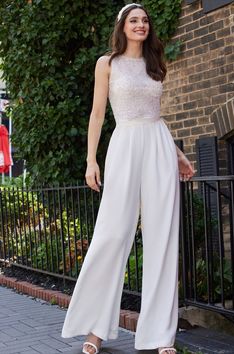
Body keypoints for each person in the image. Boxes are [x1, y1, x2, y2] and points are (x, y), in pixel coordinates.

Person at [61, 3, 195, 354]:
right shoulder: (107, 64)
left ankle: (160, 336)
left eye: (145, 21)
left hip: (158, 147)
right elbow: (98, 113)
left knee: (162, 238)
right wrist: (91, 160)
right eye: (134, 20)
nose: (141, 25)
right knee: (112, 234)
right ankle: (95, 330)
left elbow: (157, 117)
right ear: (122, 27)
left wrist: (177, 154)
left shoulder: (154, 65)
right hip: (124, 145)